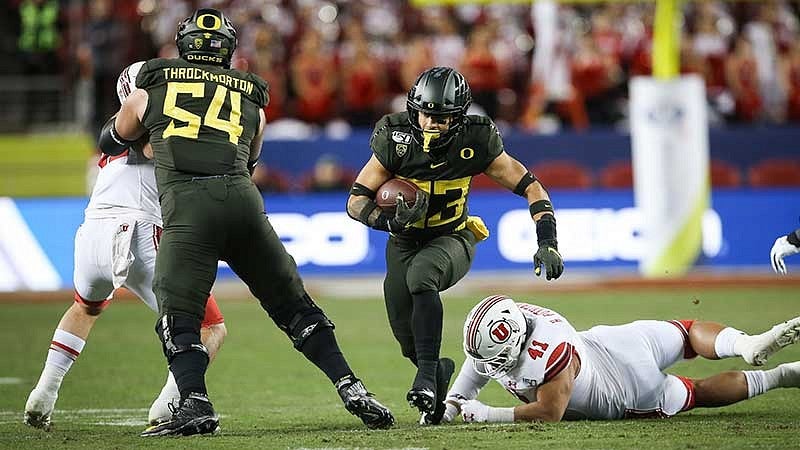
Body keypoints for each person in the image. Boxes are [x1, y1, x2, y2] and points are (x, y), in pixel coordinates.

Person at [99, 8, 393, 436]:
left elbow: (113, 138)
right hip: (242, 202)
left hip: (188, 207)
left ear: (182, 47)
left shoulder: (150, 88)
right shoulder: (252, 99)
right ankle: (350, 385)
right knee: (295, 307)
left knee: (179, 316)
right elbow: (251, 159)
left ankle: (195, 401)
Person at [345, 66, 564, 425]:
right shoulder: (394, 136)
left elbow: (532, 187)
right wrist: (389, 221)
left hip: (453, 236)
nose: (430, 122)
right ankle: (435, 374)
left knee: (422, 276)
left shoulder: (475, 140)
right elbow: (356, 200)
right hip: (403, 241)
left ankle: (427, 380)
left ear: (459, 118)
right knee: (405, 333)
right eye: (425, 113)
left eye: (441, 117)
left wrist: (548, 241)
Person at [23, 61, 227, 432]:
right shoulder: (159, 129)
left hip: (92, 232)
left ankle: (44, 392)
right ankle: (168, 405)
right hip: (137, 230)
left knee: (85, 308)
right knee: (210, 327)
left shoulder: (114, 133)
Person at [441, 295, 800, 424]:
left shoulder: (546, 359)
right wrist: (453, 404)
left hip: (625, 392)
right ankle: (746, 343)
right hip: (615, 343)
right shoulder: (521, 318)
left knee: (700, 391)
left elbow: (549, 413)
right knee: (688, 331)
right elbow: (480, 361)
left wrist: (489, 414)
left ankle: (779, 376)